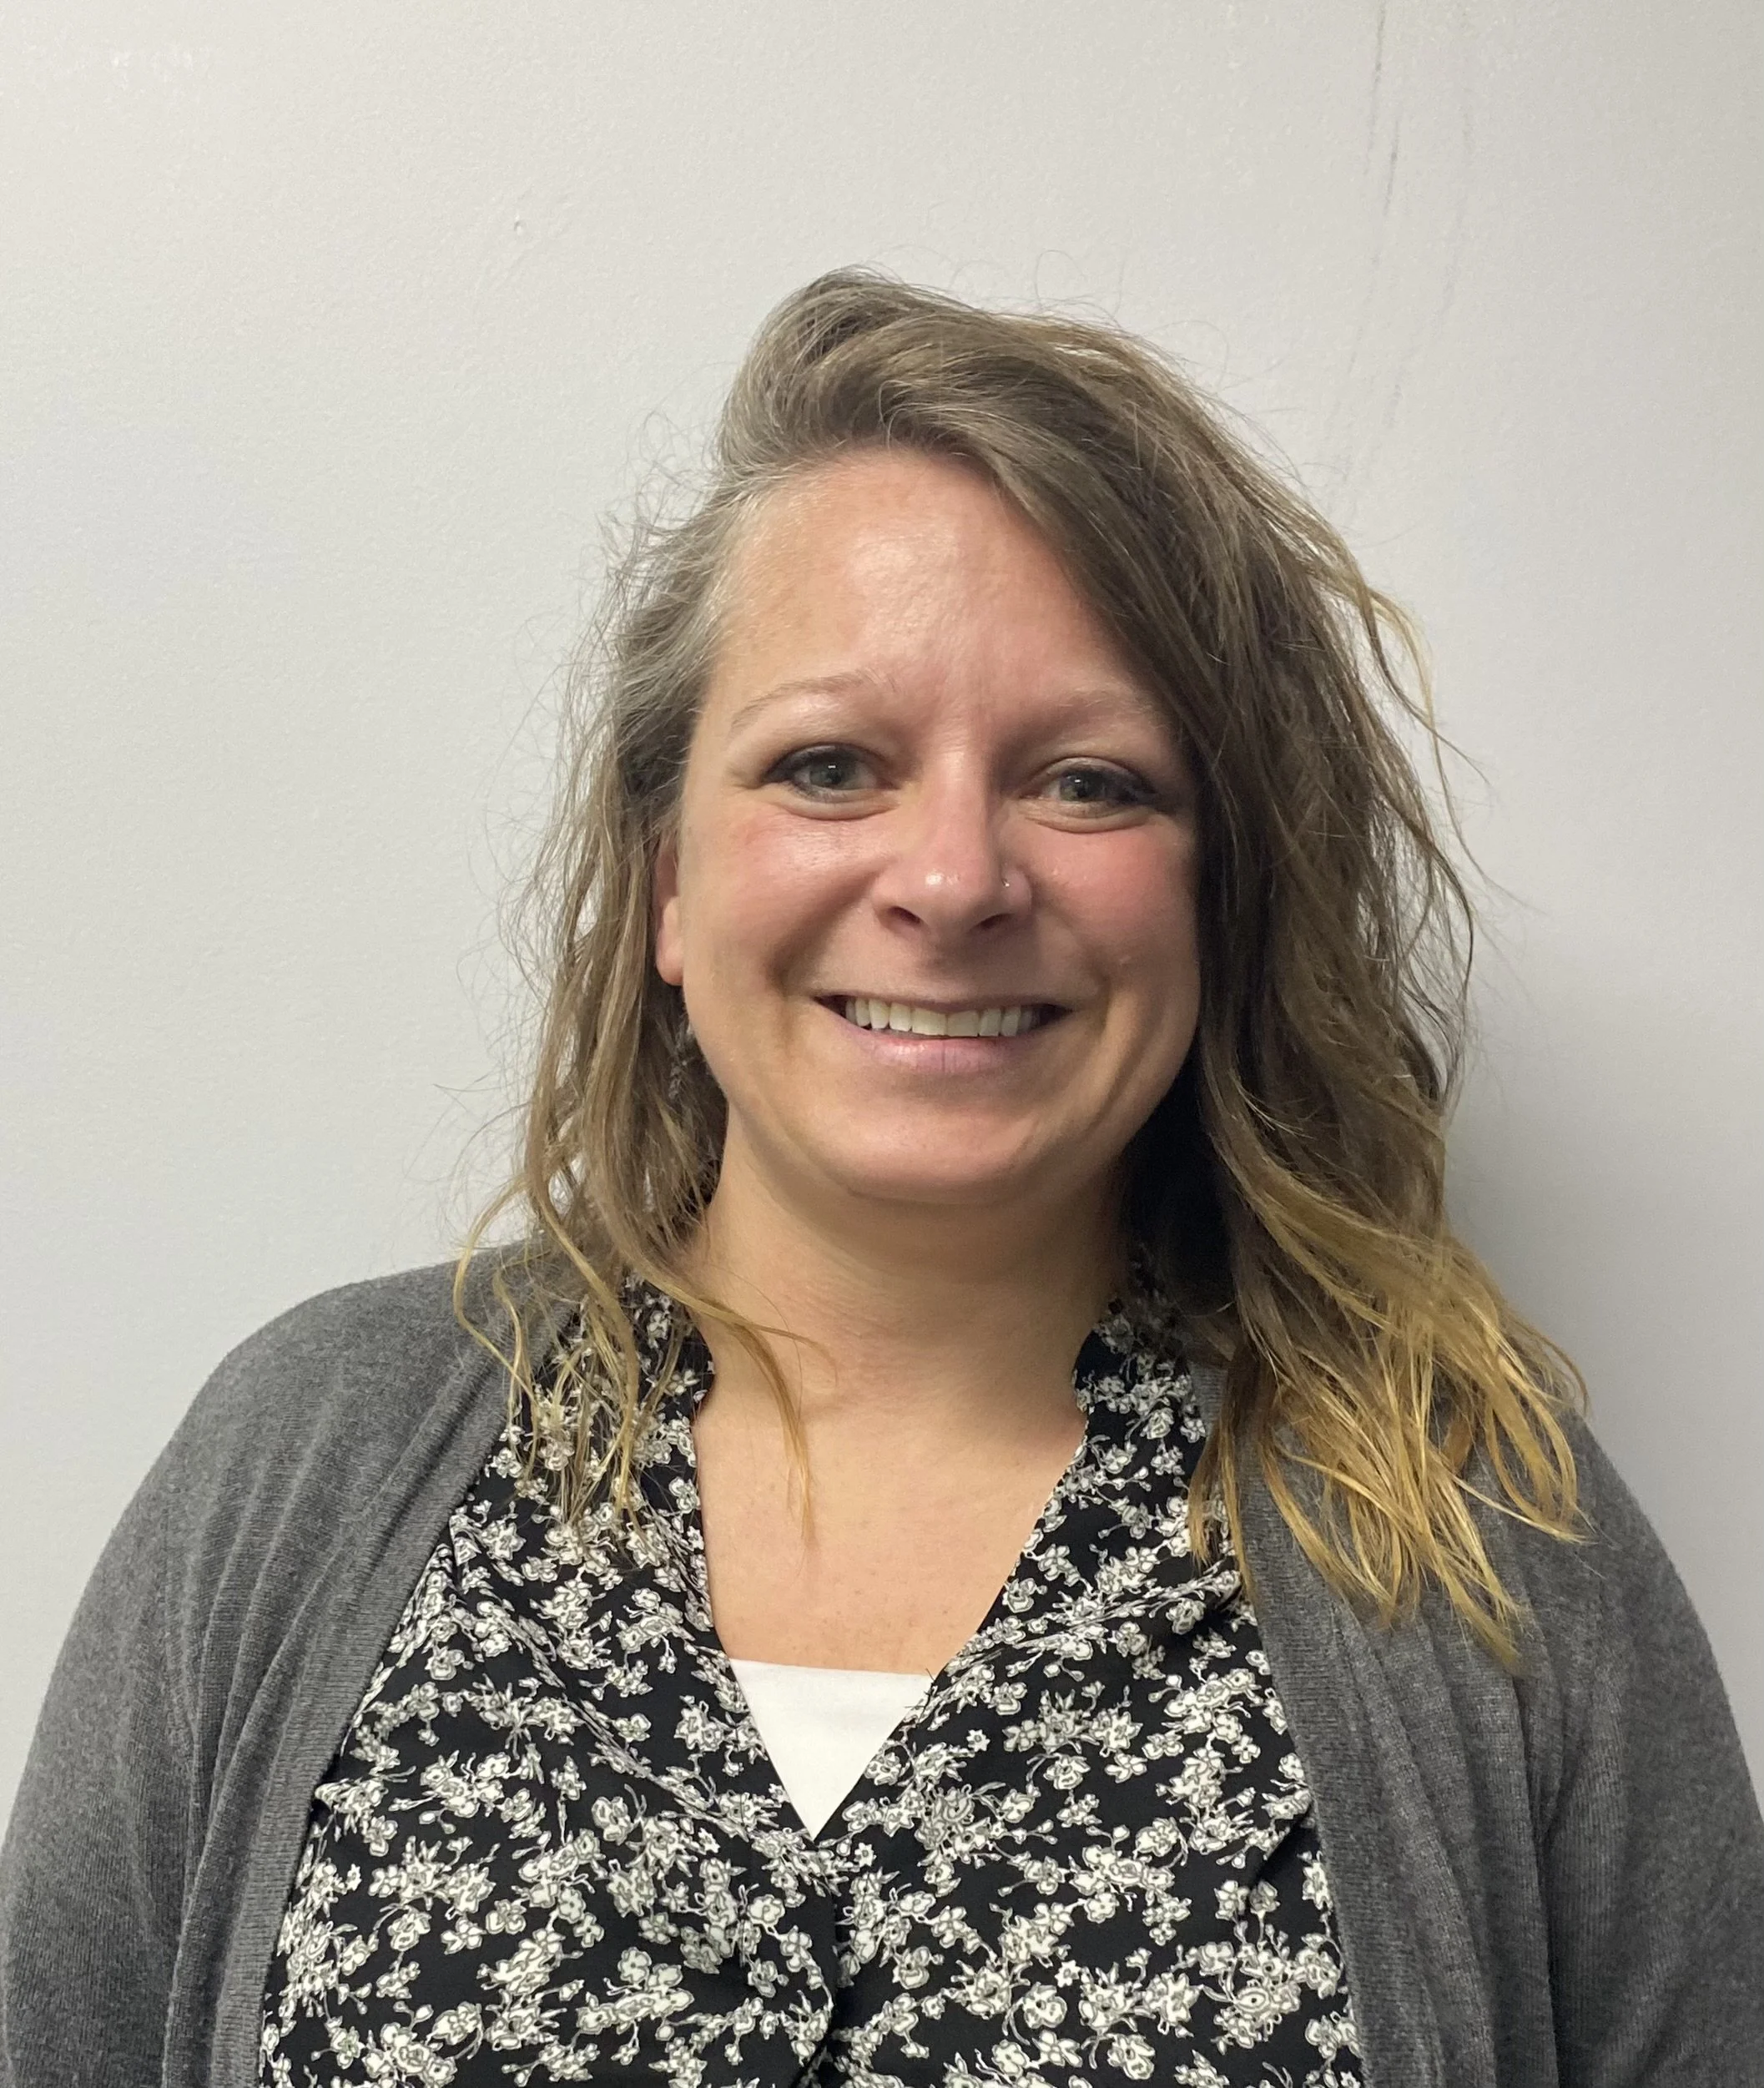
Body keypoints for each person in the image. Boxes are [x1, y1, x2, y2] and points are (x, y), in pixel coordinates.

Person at [1, 271, 1759, 2088]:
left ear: (1220, 895)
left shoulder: (1476, 1541)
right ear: (669, 880)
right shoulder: (310, 1464)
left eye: (1088, 783)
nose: (950, 880)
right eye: (829, 766)